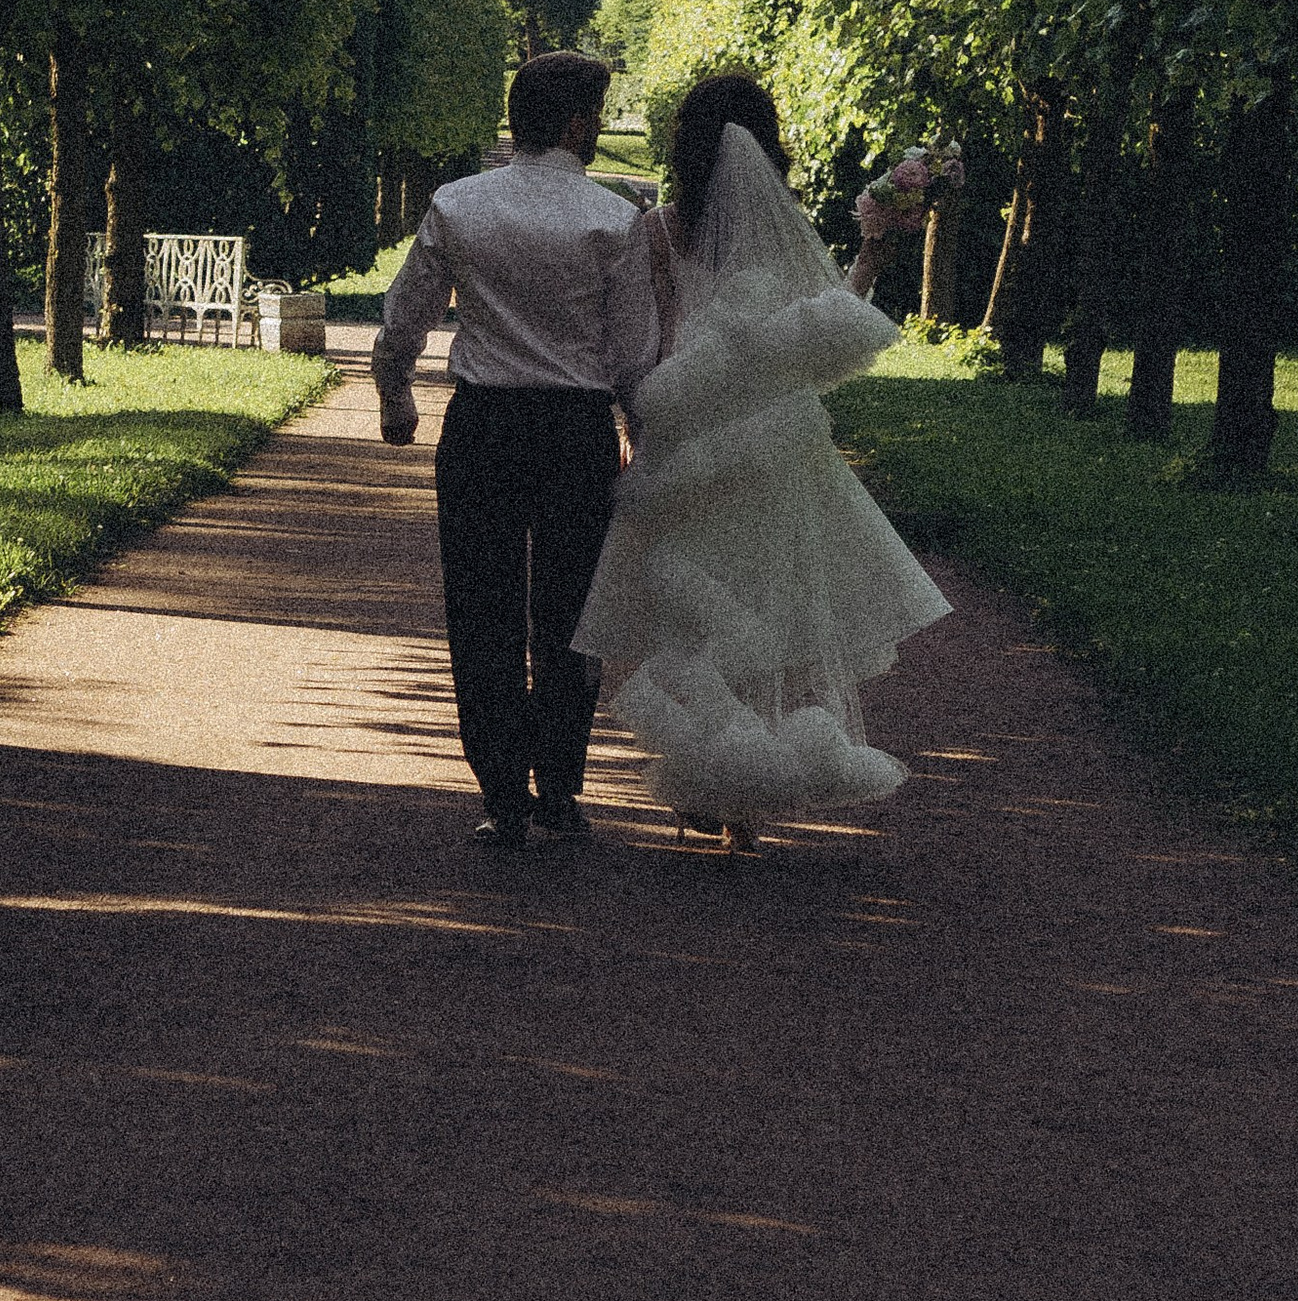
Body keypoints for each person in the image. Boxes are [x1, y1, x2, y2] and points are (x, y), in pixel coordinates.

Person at [575, 72, 949, 846]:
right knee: (767, 604)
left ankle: (712, 773)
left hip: (690, 448)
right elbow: (822, 331)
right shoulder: (783, 226)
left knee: (695, 612)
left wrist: (639, 417)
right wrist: (872, 251)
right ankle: (751, 785)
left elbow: (648, 348)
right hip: (777, 443)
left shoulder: (660, 231)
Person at [373, 51, 660, 850]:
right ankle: (561, 788)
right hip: (575, 432)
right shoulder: (615, 218)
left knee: (482, 609)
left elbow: (405, 317)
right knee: (571, 616)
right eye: (597, 115)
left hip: (485, 426)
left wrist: (395, 396)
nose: (599, 129)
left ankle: (501, 790)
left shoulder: (458, 205)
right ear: (575, 124)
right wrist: (641, 434)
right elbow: (632, 353)